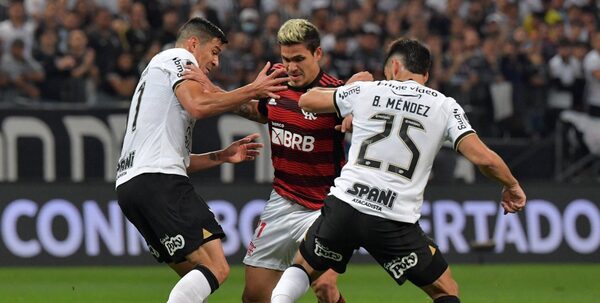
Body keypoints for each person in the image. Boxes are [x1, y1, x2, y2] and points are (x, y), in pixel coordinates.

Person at [271, 38, 527, 303]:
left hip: (345, 205)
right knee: (445, 290)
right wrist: (512, 186)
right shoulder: (444, 106)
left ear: (393, 66)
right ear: (425, 75)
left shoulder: (368, 91)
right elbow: (484, 159)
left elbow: (307, 100)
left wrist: (349, 94)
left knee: (303, 266)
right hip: (392, 218)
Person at [115, 17, 288, 303]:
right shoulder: (178, 57)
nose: (216, 62)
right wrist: (252, 89)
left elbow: (180, 159)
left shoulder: (157, 74)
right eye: (215, 52)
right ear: (194, 44)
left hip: (132, 186)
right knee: (216, 267)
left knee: (195, 275)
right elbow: (198, 105)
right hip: (160, 181)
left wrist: (221, 156)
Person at [182, 19, 354, 303]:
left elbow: (365, 88)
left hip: (324, 208)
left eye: (299, 59)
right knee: (254, 296)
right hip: (282, 201)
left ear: (318, 54)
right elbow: (259, 111)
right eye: (286, 59)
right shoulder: (276, 78)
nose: (292, 67)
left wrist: (352, 113)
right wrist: (214, 91)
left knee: (323, 286)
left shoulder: (333, 93)